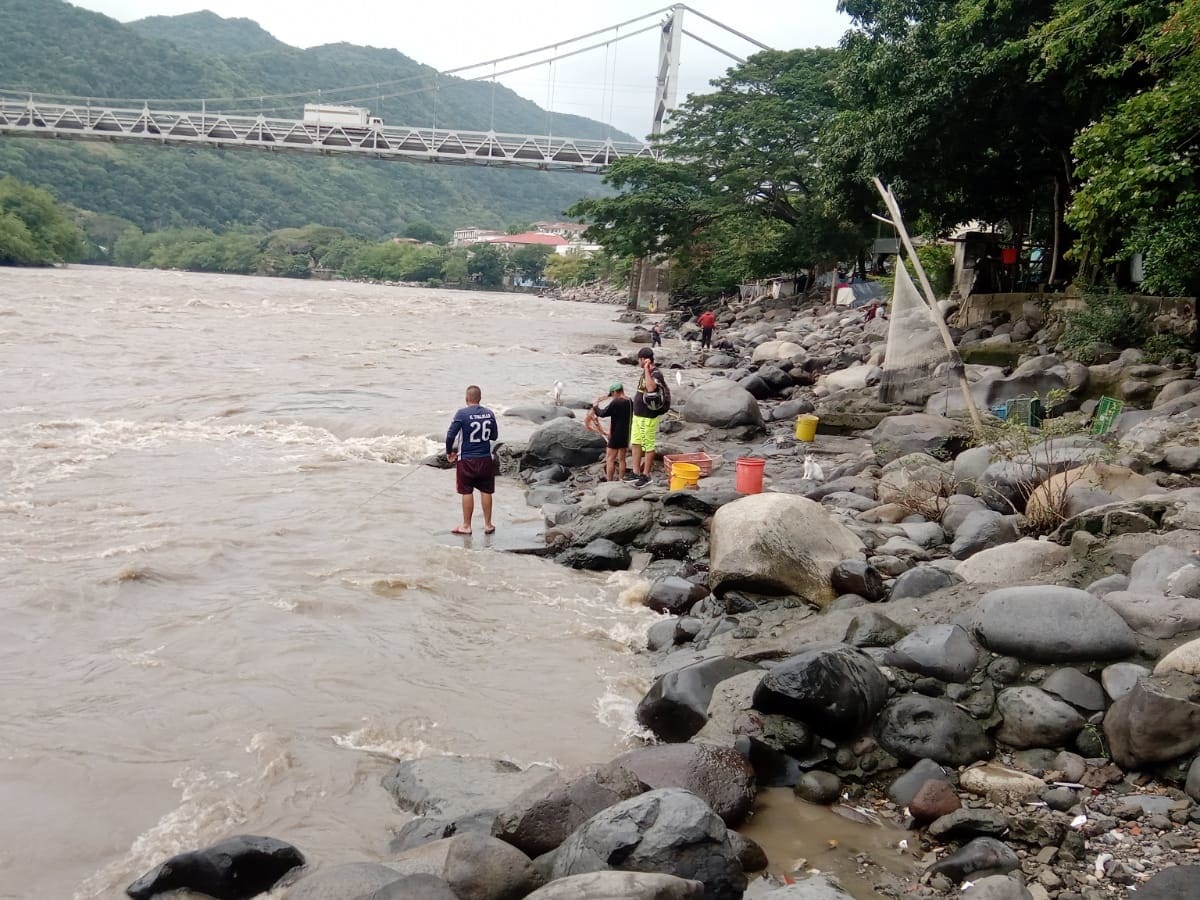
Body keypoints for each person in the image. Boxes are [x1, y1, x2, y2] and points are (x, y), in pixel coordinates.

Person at [445, 385, 498, 535]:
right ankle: (488, 524)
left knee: (467, 491)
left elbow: (450, 435)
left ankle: (467, 526)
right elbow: (494, 436)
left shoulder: (462, 414)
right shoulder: (489, 413)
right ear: (480, 398)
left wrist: (449, 452)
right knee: (486, 490)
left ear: (466, 399)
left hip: (467, 459)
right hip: (485, 459)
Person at [630, 348, 665, 487]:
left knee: (648, 445)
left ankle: (646, 475)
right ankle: (636, 472)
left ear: (645, 359)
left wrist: (646, 369)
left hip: (648, 417)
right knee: (636, 443)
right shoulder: (646, 372)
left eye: (640, 359)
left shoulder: (655, 373)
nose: (638, 362)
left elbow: (651, 388)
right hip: (638, 415)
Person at [591, 382, 632, 482]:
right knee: (622, 459)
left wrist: (595, 406)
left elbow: (602, 413)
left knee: (610, 458)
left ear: (615, 392)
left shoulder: (616, 402)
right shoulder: (630, 401)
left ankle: (609, 480)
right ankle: (621, 479)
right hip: (626, 433)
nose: (612, 396)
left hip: (616, 434)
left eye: (612, 394)